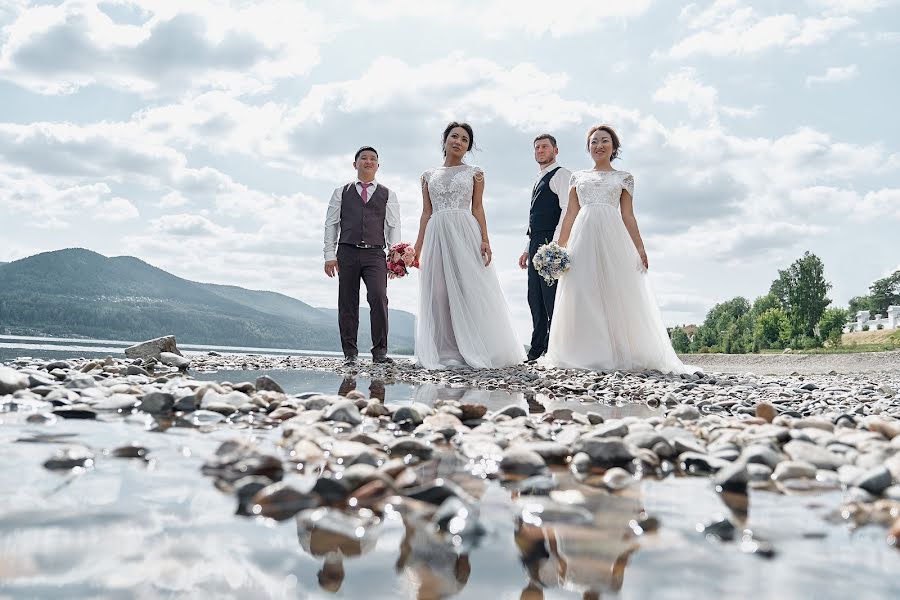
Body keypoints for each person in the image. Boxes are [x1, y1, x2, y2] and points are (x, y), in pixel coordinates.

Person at [542, 125, 693, 374]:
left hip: (613, 236)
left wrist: (640, 248)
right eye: (593, 142)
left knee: (615, 290)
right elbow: (570, 213)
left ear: (613, 147)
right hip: (583, 235)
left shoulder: (624, 178)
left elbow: (628, 216)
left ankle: (617, 351)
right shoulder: (577, 177)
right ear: (588, 147)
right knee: (581, 289)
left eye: (604, 141)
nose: (599, 145)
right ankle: (583, 351)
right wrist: (559, 246)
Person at [413, 122, 525, 369]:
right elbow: (425, 213)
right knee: (438, 293)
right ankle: (444, 350)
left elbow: (477, 207)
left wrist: (485, 239)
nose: (458, 142)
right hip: (436, 232)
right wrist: (417, 248)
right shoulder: (427, 176)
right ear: (445, 140)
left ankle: (475, 348)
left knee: (468, 288)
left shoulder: (475, 172)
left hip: (464, 230)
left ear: (468, 146)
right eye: (454, 136)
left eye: (464, 140)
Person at [323, 146, 401, 365]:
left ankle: (380, 353)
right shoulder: (341, 192)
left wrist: (395, 256)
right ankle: (350, 353)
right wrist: (330, 254)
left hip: (376, 253)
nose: (368, 161)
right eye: (363, 158)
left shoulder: (388, 194)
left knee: (378, 298)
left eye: (373, 159)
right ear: (355, 163)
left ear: (378, 165)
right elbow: (331, 224)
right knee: (347, 302)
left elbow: (394, 227)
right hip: (346, 251)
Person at [518, 134, 571, 362]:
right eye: (537, 147)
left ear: (555, 150)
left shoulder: (562, 175)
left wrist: (556, 246)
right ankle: (536, 347)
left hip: (551, 242)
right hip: (536, 242)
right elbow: (533, 220)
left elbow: (568, 210)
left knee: (551, 296)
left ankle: (555, 348)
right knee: (534, 296)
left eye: (545, 147)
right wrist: (526, 248)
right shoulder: (538, 178)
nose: (540, 150)